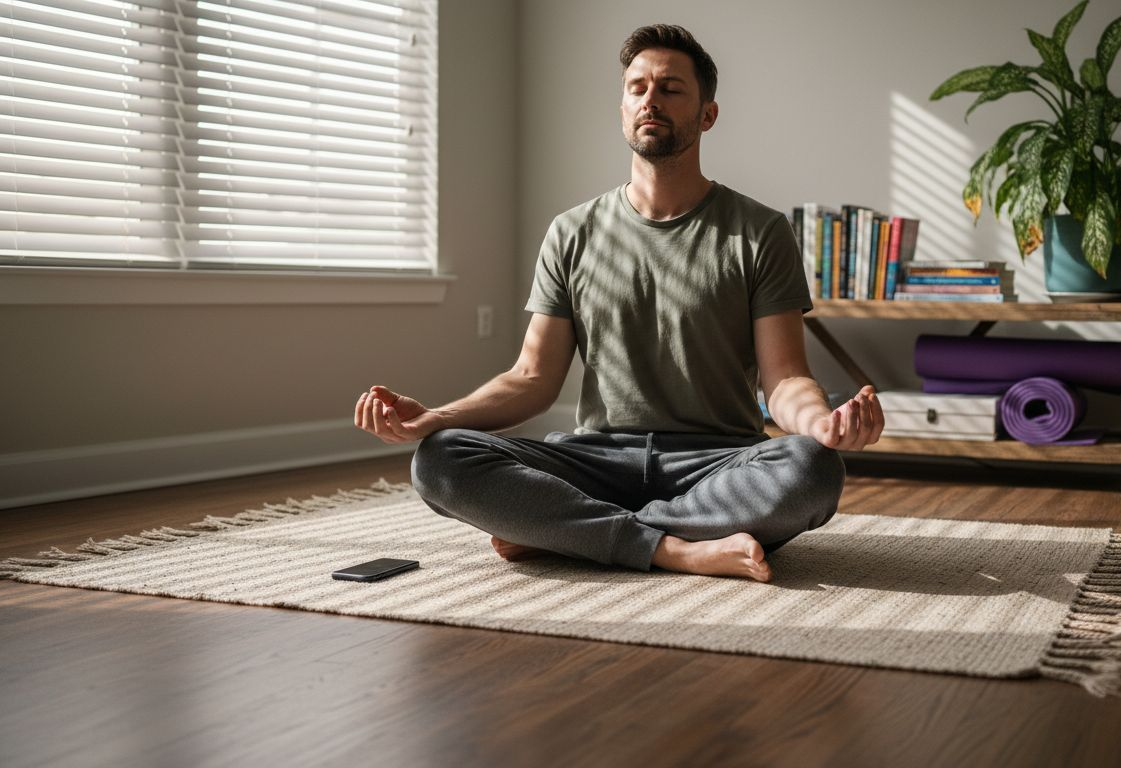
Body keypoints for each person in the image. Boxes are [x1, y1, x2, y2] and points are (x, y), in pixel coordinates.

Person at [354, 24, 883, 583]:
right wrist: (436, 417)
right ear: (623, 106)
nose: (650, 99)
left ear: (707, 114)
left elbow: (784, 381)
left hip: (716, 463)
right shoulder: (571, 232)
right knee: (440, 458)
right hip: (595, 460)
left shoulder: (760, 232)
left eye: (671, 88)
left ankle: (568, 532)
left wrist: (822, 423)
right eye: (637, 87)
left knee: (811, 469)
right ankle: (674, 548)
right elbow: (532, 378)